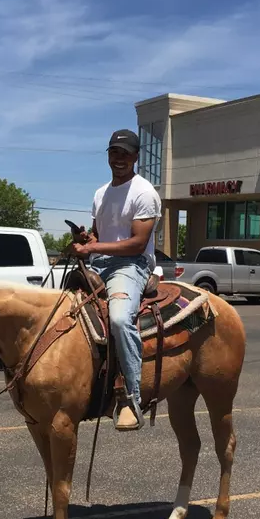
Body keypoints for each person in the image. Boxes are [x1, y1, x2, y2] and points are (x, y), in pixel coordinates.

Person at [69, 129, 162, 431]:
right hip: (101, 263)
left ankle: (132, 399)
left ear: (136, 157)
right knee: (64, 306)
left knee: (120, 319)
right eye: (113, 152)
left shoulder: (144, 192)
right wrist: (87, 238)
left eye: (124, 153)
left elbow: (137, 243)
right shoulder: (101, 193)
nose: (118, 159)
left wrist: (93, 246)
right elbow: (99, 234)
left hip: (132, 265)